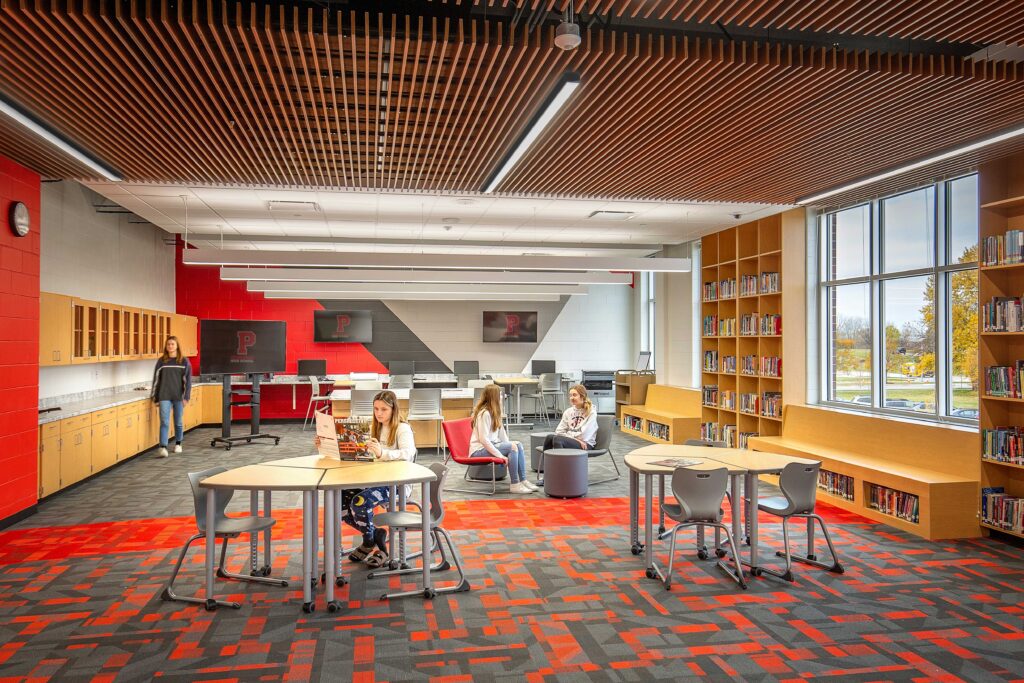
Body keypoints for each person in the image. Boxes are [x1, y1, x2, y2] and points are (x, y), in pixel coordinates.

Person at [344, 390, 416, 569]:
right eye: (376, 409)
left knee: (360, 502)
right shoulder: (374, 427)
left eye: (384, 409)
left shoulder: (402, 428)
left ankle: (373, 544)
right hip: (376, 480)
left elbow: (409, 453)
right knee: (341, 500)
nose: (379, 413)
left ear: (393, 410)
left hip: (397, 484)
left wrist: (382, 453)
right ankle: (373, 536)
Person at [469, 384, 536, 494]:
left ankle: (523, 480)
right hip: (478, 451)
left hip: (491, 446)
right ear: (493, 397)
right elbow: (483, 439)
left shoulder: (495, 412)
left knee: (518, 444)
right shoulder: (484, 413)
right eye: (500, 394)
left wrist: (509, 446)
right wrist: (500, 455)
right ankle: (515, 484)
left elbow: (502, 435)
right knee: (512, 446)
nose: (502, 396)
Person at [151, 336, 192, 458]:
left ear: (177, 346)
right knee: (164, 421)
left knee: (178, 422)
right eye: (168, 344)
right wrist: (155, 397)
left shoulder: (184, 361)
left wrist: (186, 397)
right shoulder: (161, 361)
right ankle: (163, 446)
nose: (170, 346)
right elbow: (156, 380)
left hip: (178, 397)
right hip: (164, 396)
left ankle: (178, 443)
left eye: (172, 344)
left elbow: (188, 382)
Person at [543, 384, 598, 451]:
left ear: (582, 397)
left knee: (558, 439)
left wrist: (568, 434)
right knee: (549, 437)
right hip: (575, 441)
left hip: (585, 444)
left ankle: (561, 461)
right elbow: (559, 431)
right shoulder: (568, 412)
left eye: (574, 395)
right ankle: (546, 461)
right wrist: (575, 438)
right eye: (570, 395)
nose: (572, 398)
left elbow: (584, 436)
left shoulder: (591, 412)